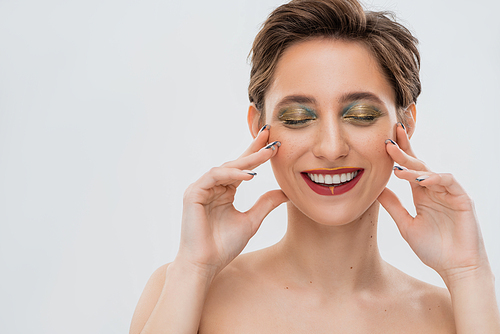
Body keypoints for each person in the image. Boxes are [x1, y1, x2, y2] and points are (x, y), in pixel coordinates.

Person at [129, 0, 500, 332]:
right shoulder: (184, 288)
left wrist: (469, 273)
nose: (331, 148)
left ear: (406, 124)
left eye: (361, 114)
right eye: (296, 117)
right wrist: (194, 268)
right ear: (260, 128)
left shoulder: (451, 316)